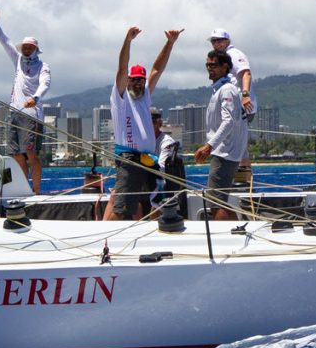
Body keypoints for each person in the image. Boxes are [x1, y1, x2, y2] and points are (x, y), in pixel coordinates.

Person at [103, 26, 182, 221]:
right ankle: (109, 235)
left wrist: (170, 43)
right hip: (129, 159)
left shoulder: (144, 96)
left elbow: (157, 69)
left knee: (160, 200)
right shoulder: (120, 98)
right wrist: (128, 41)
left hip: (148, 160)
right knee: (122, 207)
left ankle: (156, 231)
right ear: (127, 81)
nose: (138, 83)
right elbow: (122, 69)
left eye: (141, 80)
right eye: (134, 80)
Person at [0, 12, 51, 193]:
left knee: (31, 153)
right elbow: (5, 41)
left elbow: (45, 83)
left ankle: (36, 191)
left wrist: (35, 98)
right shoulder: (18, 60)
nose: (27, 49)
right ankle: (25, 190)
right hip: (14, 113)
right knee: (16, 154)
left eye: (30, 47)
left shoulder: (43, 66)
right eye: (25, 47)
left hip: (31, 115)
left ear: (36, 49)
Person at [194, 50, 248, 221]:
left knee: (215, 204)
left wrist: (209, 146)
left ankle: (229, 234)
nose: (209, 68)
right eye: (207, 65)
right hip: (226, 152)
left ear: (225, 67)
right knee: (218, 201)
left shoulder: (226, 90)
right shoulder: (221, 89)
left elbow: (228, 121)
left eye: (213, 65)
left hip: (225, 153)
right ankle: (238, 231)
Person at [208, 28, 255, 175]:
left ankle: (242, 179)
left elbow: (246, 73)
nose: (216, 43)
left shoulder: (234, 54)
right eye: (213, 41)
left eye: (219, 40)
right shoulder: (223, 56)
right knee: (237, 143)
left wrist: (245, 95)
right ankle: (241, 178)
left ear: (228, 41)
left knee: (235, 141)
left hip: (240, 105)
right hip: (233, 104)